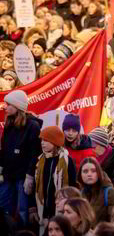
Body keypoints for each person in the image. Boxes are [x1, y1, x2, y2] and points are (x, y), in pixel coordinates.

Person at [0, 90, 42, 226]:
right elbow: (4, 149)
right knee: (3, 205)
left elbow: (34, 153)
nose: (6, 107)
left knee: (22, 210)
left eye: (9, 105)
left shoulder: (33, 126)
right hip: (8, 174)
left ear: (18, 107)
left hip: (23, 176)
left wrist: (30, 176)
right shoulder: (9, 124)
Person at [33, 126, 76, 234]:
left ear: (55, 142)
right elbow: (36, 186)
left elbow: (72, 185)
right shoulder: (40, 161)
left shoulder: (67, 161)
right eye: (42, 140)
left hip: (59, 207)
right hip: (42, 209)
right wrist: (33, 207)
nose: (42, 143)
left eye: (46, 140)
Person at [77, 157, 114, 224]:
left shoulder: (109, 192)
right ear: (80, 175)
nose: (89, 174)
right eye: (85, 171)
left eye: (93, 171)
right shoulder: (80, 194)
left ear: (99, 172)